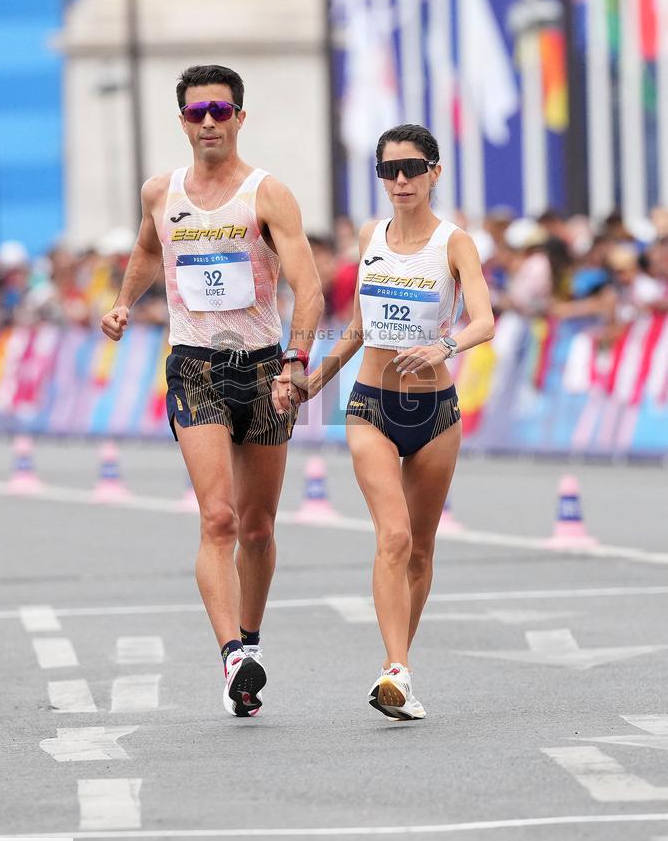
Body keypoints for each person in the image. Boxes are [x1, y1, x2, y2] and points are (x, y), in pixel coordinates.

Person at [101, 64, 323, 717]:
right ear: (181, 121)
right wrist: (121, 303)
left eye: (219, 111)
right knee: (218, 517)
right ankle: (232, 655)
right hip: (194, 364)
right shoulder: (159, 191)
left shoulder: (267, 194)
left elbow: (307, 286)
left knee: (257, 526)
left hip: (261, 369)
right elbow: (147, 250)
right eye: (196, 112)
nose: (207, 122)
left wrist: (295, 360)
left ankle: (250, 644)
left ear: (238, 118)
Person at [277, 124, 494, 720]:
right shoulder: (371, 237)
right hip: (370, 403)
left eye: (412, 169)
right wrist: (312, 383)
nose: (400, 180)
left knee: (421, 550)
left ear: (434, 173)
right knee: (392, 536)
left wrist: (444, 348)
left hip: (435, 411)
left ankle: (398, 665)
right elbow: (357, 328)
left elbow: (485, 321)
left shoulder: (455, 244)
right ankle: (395, 669)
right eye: (389, 171)